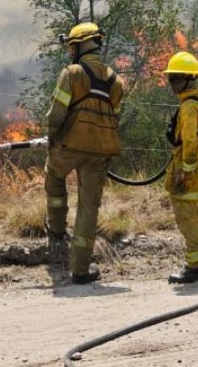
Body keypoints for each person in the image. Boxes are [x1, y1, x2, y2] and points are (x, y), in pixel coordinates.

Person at [45, 22, 124, 284]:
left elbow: (57, 114)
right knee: (89, 208)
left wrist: (52, 136)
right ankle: (80, 270)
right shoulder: (115, 80)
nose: (70, 52)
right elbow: (113, 113)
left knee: (54, 176)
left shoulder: (72, 73)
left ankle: (56, 230)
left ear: (79, 46)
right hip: (101, 151)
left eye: (72, 47)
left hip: (70, 146)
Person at [162, 51, 198, 284]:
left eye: (175, 79)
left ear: (187, 78)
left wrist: (186, 171)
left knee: (187, 217)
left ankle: (195, 266)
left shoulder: (188, 107)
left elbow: (189, 142)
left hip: (191, 172)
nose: (171, 84)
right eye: (171, 79)